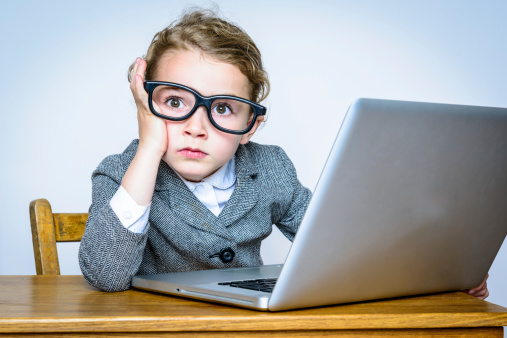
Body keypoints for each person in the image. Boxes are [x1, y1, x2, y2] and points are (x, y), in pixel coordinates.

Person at [78, 8, 490, 299]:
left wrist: (439, 272)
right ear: (146, 104)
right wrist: (150, 145)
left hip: (254, 327)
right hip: (160, 330)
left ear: (250, 126)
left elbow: (340, 239)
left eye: (222, 108)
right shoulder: (121, 175)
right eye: (173, 103)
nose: (195, 127)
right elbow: (107, 275)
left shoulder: (270, 167)